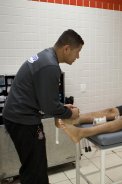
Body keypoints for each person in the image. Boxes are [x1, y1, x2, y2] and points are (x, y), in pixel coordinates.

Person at [3, 29, 84, 184]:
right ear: (66, 49)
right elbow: (49, 107)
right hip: (23, 120)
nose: (78, 56)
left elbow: (44, 97)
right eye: (77, 51)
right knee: (36, 169)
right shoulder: (51, 66)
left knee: (31, 165)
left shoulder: (46, 56)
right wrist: (69, 113)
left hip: (15, 115)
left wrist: (60, 106)